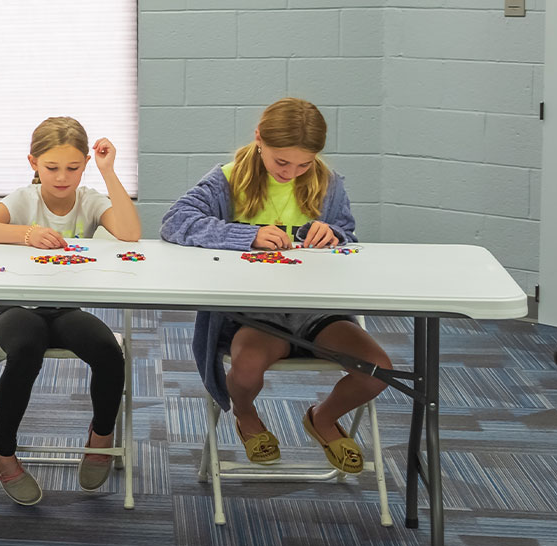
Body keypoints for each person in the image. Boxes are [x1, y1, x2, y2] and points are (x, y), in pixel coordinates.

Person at [161, 97, 388, 475]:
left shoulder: (328, 183)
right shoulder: (228, 179)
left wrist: (332, 232)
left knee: (378, 368)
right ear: (259, 139)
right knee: (246, 370)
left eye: (304, 164)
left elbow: (347, 232)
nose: (291, 172)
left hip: (316, 309)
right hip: (255, 315)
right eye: (282, 162)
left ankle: (323, 418)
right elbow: (175, 221)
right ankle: (246, 416)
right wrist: (244, 236)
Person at [0, 117, 139, 505]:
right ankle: (2, 449)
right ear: (33, 163)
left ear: (85, 164)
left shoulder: (89, 199)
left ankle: (101, 438)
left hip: (65, 310)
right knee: (26, 348)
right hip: (17, 309)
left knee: (108, 351)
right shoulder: (25, 199)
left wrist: (108, 172)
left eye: (73, 168)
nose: (61, 177)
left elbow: (129, 233)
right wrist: (26, 234)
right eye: (51, 167)